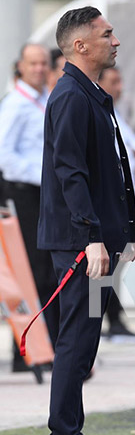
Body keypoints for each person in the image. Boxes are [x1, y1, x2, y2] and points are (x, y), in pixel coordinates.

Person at [37, 6, 135, 435]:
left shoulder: (92, 93)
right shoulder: (71, 97)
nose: (115, 41)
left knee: (86, 340)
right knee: (76, 339)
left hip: (96, 239)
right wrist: (92, 237)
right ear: (81, 45)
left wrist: (127, 232)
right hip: (80, 241)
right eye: (107, 34)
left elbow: (114, 169)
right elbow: (70, 174)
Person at [0, 44, 60, 368]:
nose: (39, 69)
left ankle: (43, 347)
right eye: (32, 63)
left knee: (47, 273)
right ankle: (25, 352)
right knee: (31, 274)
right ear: (19, 66)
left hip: (42, 194)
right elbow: (5, 156)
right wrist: (43, 174)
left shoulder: (42, 100)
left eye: (43, 63)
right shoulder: (15, 105)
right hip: (25, 194)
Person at [98, 66, 135, 341]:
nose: (120, 87)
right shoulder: (98, 115)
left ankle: (113, 321)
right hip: (111, 206)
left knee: (117, 267)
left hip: (126, 202)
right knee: (107, 269)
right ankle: (112, 321)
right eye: (114, 81)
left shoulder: (116, 115)